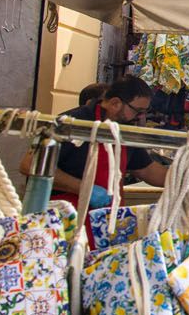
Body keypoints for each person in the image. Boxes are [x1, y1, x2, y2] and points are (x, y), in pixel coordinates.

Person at [39, 78, 168, 226]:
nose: (141, 117)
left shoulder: (124, 131)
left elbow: (147, 170)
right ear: (115, 103)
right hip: (62, 221)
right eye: (138, 111)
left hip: (104, 223)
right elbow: (31, 166)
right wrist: (85, 189)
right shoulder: (72, 123)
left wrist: (187, 178)